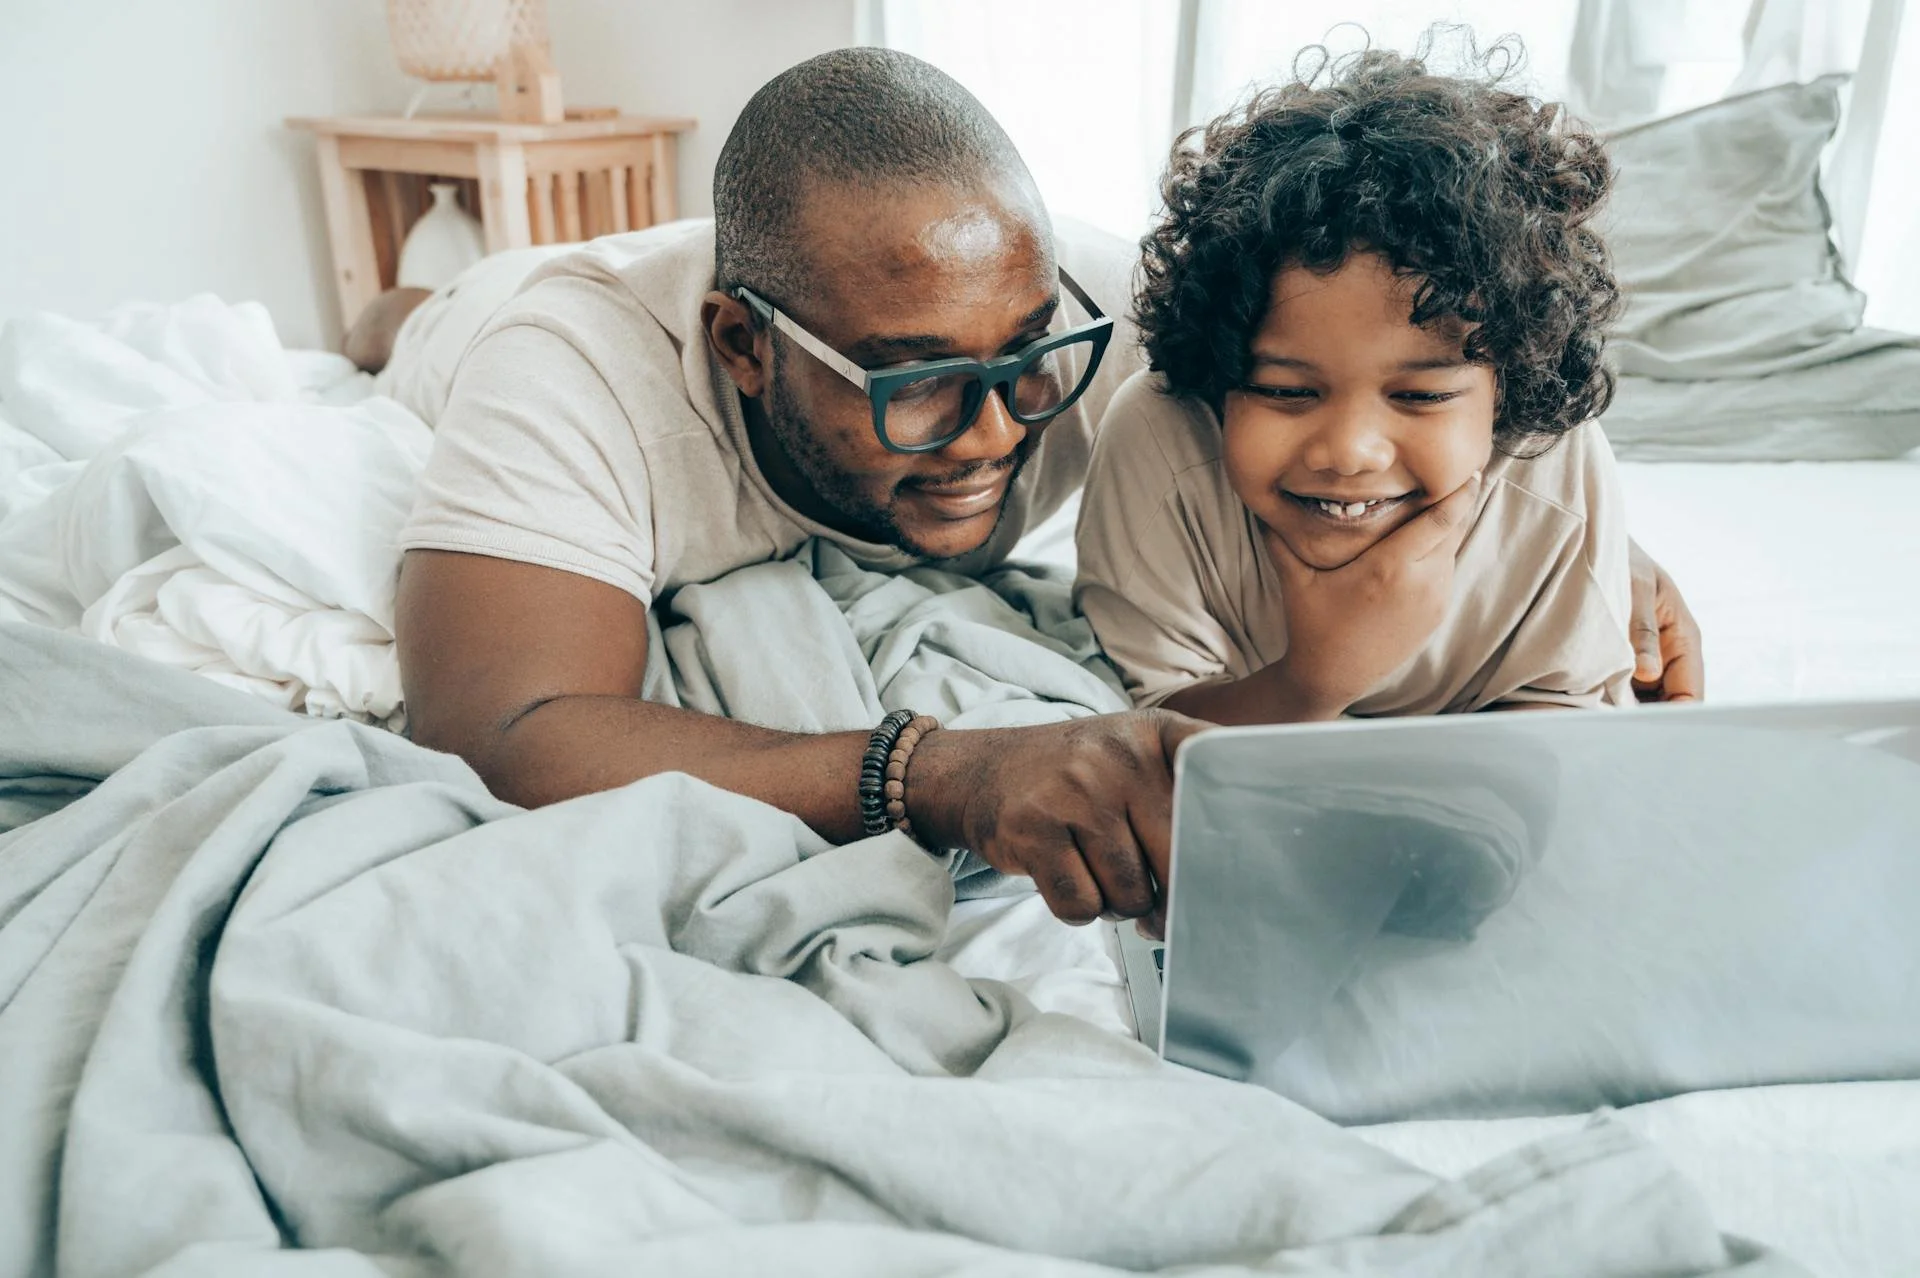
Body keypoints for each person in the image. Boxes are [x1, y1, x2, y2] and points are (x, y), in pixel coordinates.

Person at [391, 47, 1702, 934]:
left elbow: (1367, 413)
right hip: (486, 322)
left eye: (1027, 363)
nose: (990, 434)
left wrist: (1577, 550)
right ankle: (384, 309)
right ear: (742, 348)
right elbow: (500, 728)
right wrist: (933, 771)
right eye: (916, 384)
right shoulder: (576, 378)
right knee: (411, 327)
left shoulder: (1113, 319)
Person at [1077, 48, 1645, 721]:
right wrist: (1313, 682)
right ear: (1216, 373)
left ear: (1510, 394)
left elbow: (1564, 711)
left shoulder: (1553, 456)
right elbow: (1146, 741)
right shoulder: (1157, 438)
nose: (1349, 452)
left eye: (1421, 396)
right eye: (1287, 392)